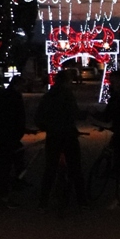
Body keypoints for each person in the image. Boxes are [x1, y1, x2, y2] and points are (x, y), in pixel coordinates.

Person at [34, 64, 84, 209]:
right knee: (75, 168)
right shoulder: (68, 95)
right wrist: (87, 114)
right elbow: (75, 113)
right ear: (67, 81)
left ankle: (43, 202)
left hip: (53, 136)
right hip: (68, 135)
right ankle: (82, 201)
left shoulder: (48, 96)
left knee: (50, 169)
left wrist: (46, 127)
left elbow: (39, 117)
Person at [0, 72, 27, 201]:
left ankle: (11, 184)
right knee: (11, 160)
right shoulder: (15, 97)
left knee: (8, 159)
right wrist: (22, 130)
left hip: (1, 132)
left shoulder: (2, 95)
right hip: (9, 134)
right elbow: (18, 116)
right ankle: (6, 190)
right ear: (17, 85)